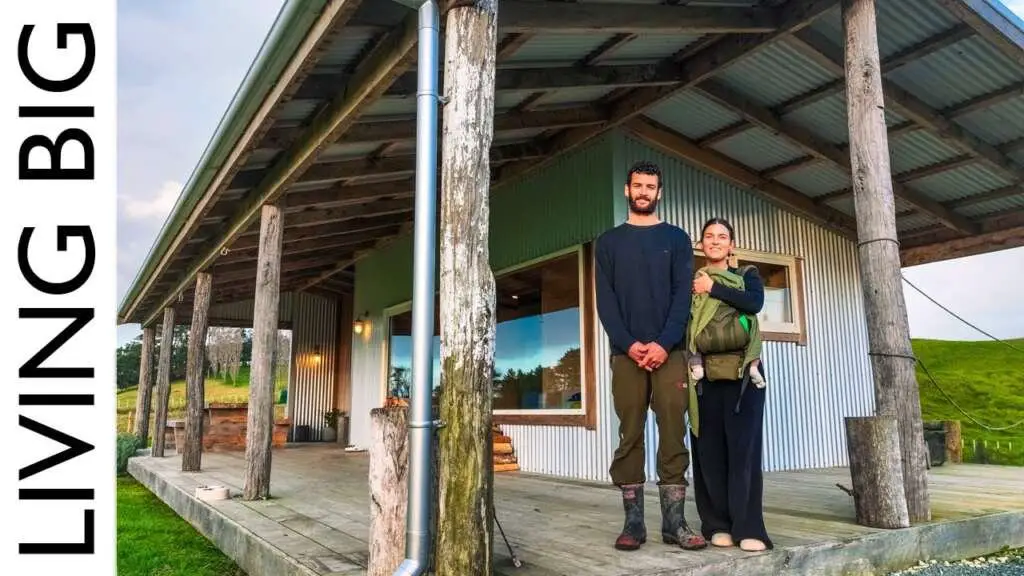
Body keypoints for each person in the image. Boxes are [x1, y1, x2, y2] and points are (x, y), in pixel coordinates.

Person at [594, 160, 706, 552]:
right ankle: (634, 523)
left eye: (650, 186)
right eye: (637, 185)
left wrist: (663, 342)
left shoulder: (676, 239)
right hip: (626, 354)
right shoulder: (607, 243)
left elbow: (682, 297)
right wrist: (629, 344)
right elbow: (605, 303)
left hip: (670, 351)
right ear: (627, 190)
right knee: (630, 433)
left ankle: (675, 523)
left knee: (673, 430)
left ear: (660, 193)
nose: (643, 191)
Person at [686, 217, 773, 552]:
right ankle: (716, 524)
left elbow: (754, 303)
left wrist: (714, 289)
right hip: (705, 375)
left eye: (722, 236)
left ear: (731, 244)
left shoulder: (746, 275)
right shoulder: (692, 282)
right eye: (709, 236)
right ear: (702, 244)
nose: (715, 241)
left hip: (742, 375)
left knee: (743, 451)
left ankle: (749, 526)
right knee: (709, 452)